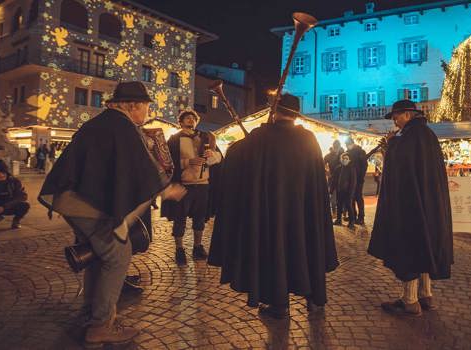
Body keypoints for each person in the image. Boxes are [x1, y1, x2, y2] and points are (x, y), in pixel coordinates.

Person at [38, 81, 186, 348]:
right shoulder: (122, 127)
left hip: (71, 198)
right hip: (83, 203)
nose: (146, 112)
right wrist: (166, 189)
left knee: (97, 254)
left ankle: (90, 313)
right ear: (133, 105)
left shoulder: (102, 123)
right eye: (145, 106)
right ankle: (100, 325)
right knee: (118, 254)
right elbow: (140, 167)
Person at [208, 94, 339, 320]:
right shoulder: (308, 138)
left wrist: (252, 140)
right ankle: (314, 298)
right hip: (303, 211)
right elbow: (317, 180)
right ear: (296, 115)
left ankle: (279, 304)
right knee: (307, 248)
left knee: (275, 253)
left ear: (275, 111)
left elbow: (235, 157)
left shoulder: (261, 136)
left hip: (271, 212)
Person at [368, 100, 453, 316]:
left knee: (410, 248)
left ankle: (410, 300)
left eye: (396, 116)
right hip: (430, 204)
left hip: (410, 205)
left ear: (407, 114)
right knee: (425, 246)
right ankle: (426, 295)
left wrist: (390, 145)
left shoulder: (406, 138)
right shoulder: (429, 135)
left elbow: (398, 171)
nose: (394, 121)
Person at [160, 110, 221, 265]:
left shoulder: (206, 137)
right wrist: (188, 162)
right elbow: (168, 162)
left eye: (193, 118)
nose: (191, 120)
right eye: (187, 118)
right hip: (183, 185)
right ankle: (179, 250)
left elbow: (218, 159)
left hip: (202, 185)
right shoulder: (174, 140)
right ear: (180, 122)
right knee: (180, 218)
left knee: (200, 217)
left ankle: (197, 247)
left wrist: (211, 156)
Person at [0, 160, 30, 229]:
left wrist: (4, 207)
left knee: (25, 205)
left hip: (9, 204)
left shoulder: (14, 182)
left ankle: (16, 221)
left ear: (7, 173)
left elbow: (22, 196)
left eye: (3, 173)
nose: (1, 175)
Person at [330, 152, 357, 229]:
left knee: (349, 206)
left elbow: (353, 182)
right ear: (341, 159)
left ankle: (351, 222)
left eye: (346, 159)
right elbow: (334, 180)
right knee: (339, 205)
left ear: (349, 160)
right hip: (339, 191)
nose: (345, 160)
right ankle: (339, 220)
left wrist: (351, 193)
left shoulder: (352, 169)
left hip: (348, 192)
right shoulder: (338, 169)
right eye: (343, 158)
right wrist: (331, 190)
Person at [345, 137, 367, 225]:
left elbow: (364, 166)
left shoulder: (360, 152)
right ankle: (353, 216)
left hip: (358, 178)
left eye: (348, 144)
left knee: (358, 197)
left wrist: (361, 177)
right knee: (351, 198)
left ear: (352, 143)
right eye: (346, 145)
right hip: (350, 179)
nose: (347, 146)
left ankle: (361, 217)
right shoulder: (348, 152)